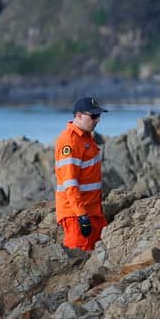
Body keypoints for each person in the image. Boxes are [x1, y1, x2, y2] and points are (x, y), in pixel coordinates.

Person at [54, 96, 108, 250]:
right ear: (78, 116)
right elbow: (69, 183)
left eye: (98, 116)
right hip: (76, 215)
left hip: (94, 212)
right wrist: (82, 215)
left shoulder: (86, 138)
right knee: (78, 260)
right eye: (93, 116)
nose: (97, 120)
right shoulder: (69, 142)